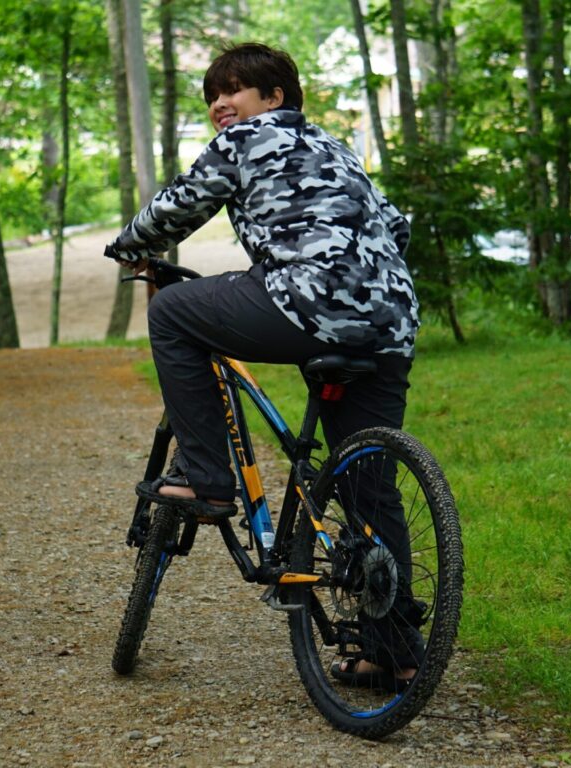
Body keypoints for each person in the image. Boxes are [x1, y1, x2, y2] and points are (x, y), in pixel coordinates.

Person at [104, 42, 423, 691]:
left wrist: (127, 246)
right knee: (368, 479)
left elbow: (181, 206)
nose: (222, 103)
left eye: (235, 90)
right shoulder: (337, 149)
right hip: (389, 318)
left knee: (172, 316)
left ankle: (205, 475)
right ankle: (395, 651)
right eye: (214, 95)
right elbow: (397, 226)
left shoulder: (249, 139)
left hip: (305, 300)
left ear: (274, 99)